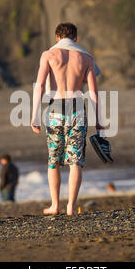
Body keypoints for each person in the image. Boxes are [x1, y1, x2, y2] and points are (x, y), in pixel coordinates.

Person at [31, 22, 102, 216]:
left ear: (57, 38)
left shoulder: (48, 55)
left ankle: (55, 205)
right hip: (78, 109)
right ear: (76, 38)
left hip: (55, 109)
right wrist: (99, 121)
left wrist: (34, 115)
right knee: (75, 161)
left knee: (54, 160)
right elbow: (94, 93)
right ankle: (71, 206)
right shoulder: (86, 58)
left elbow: (38, 86)